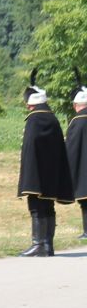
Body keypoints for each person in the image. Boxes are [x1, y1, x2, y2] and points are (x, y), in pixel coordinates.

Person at [17, 80, 73, 257]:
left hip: (36, 172)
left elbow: (29, 148)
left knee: (35, 206)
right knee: (48, 206)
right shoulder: (52, 118)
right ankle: (48, 244)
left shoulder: (34, 119)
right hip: (52, 172)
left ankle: (38, 243)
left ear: (31, 103)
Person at [68, 78, 87, 240]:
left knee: (85, 201)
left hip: (83, 169)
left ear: (75, 105)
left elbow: (72, 148)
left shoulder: (77, 121)